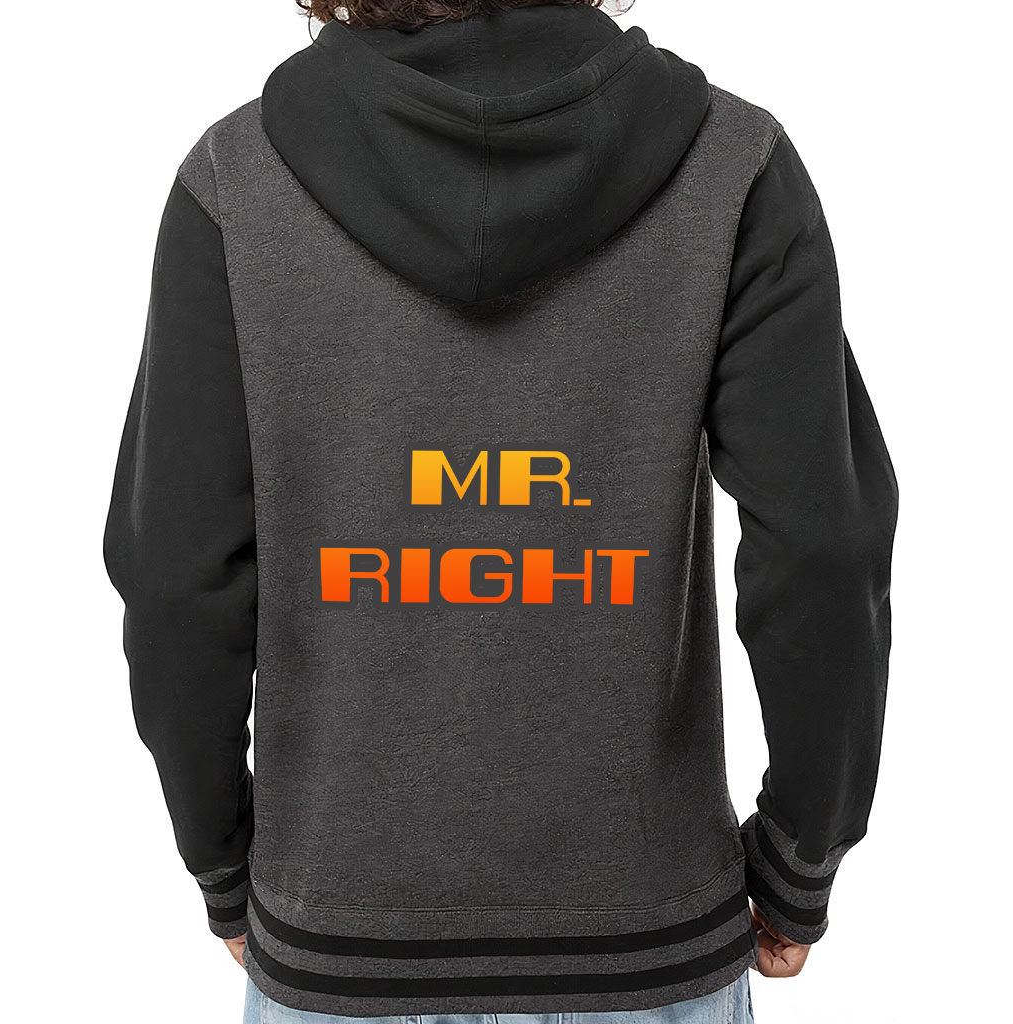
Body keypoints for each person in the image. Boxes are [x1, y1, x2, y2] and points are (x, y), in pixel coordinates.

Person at [103, 1, 898, 1021]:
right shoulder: (730, 167)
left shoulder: (236, 183)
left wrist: (221, 861)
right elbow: (823, 548)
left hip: (345, 946)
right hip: (644, 947)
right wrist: (800, 859)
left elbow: (176, 578)